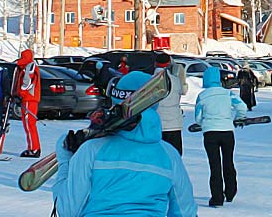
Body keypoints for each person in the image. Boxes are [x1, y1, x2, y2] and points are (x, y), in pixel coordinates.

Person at [52, 71, 197, 217]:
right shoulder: (169, 155)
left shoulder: (91, 150)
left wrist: (66, 162)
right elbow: (185, 211)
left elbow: (67, 210)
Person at [195, 66, 248, 207]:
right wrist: (239, 118)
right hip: (227, 131)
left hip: (210, 133)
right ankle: (230, 192)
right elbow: (242, 106)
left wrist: (203, 123)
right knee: (228, 162)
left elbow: (198, 117)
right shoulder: (228, 94)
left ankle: (217, 198)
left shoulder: (202, 96)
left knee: (215, 165)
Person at [155, 52, 187, 155]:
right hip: (174, 124)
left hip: (157, 124)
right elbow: (183, 91)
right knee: (175, 155)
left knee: (159, 155)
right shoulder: (175, 80)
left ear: (155, 63)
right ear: (169, 62)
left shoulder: (149, 81)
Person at [15, 48, 41, 158]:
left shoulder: (28, 67)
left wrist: (21, 95)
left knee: (29, 125)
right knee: (30, 125)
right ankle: (34, 147)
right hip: (30, 99)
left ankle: (33, 149)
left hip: (28, 99)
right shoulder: (29, 66)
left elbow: (26, 83)